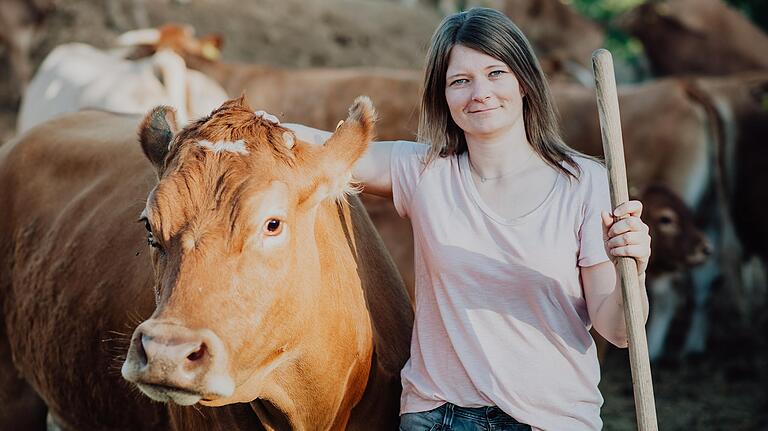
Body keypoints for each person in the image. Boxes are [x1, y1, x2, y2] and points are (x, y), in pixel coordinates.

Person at [259, 7, 650, 431]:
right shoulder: (425, 171)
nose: (479, 92)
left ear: (524, 83)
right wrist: (258, 129)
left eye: (496, 73)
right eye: (460, 81)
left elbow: (619, 331)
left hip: (552, 419)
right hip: (439, 416)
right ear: (443, 97)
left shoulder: (586, 184)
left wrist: (634, 267)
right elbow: (326, 147)